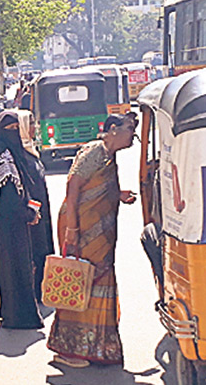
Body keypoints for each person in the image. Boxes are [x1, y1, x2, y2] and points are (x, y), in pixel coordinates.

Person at [47, 113, 138, 368]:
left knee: (100, 283)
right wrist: (72, 230)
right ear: (111, 130)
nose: (133, 134)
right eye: (129, 128)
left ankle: (96, 347)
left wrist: (118, 195)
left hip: (101, 234)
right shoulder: (93, 152)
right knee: (79, 282)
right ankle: (69, 350)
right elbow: (73, 191)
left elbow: (98, 187)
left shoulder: (109, 157)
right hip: (82, 229)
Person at [0, 112, 46, 329]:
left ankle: (11, 313)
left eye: (18, 128)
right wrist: (29, 213)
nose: (15, 133)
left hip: (10, 227)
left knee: (11, 270)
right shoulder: (3, 160)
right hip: (11, 227)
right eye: (10, 129)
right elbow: (9, 200)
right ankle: (19, 317)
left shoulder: (10, 155)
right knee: (16, 270)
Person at [17, 110, 55, 305]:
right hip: (33, 214)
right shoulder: (19, 156)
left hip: (42, 212)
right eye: (30, 123)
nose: (34, 127)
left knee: (44, 250)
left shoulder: (31, 150)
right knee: (34, 253)